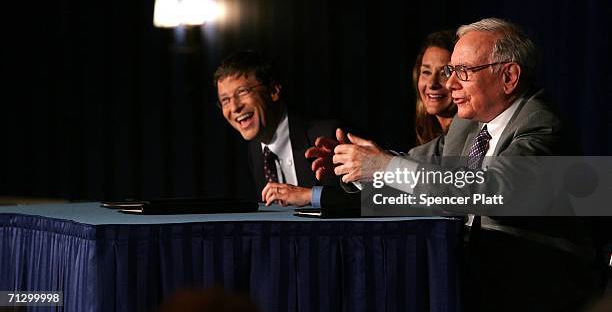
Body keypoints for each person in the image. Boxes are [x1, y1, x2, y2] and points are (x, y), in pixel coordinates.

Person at [303, 18, 603, 311]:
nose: (450, 83)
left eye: (463, 71)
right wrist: (355, 165)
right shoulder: (468, 124)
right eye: (451, 70)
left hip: (536, 286)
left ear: (509, 77)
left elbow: (492, 191)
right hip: (472, 279)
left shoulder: (543, 125)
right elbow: (420, 167)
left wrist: (382, 166)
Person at [260, 30, 457, 207]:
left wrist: (379, 164)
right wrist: (356, 165)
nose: (432, 83)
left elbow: (448, 192)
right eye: (426, 72)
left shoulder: (471, 129)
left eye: (444, 72)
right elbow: (410, 183)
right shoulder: (434, 144)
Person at [214, 50, 339, 200]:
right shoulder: (255, 150)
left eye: (242, 92)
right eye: (225, 100)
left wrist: (311, 196)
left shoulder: (328, 134)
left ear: (273, 91)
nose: (234, 107)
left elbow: (373, 201)